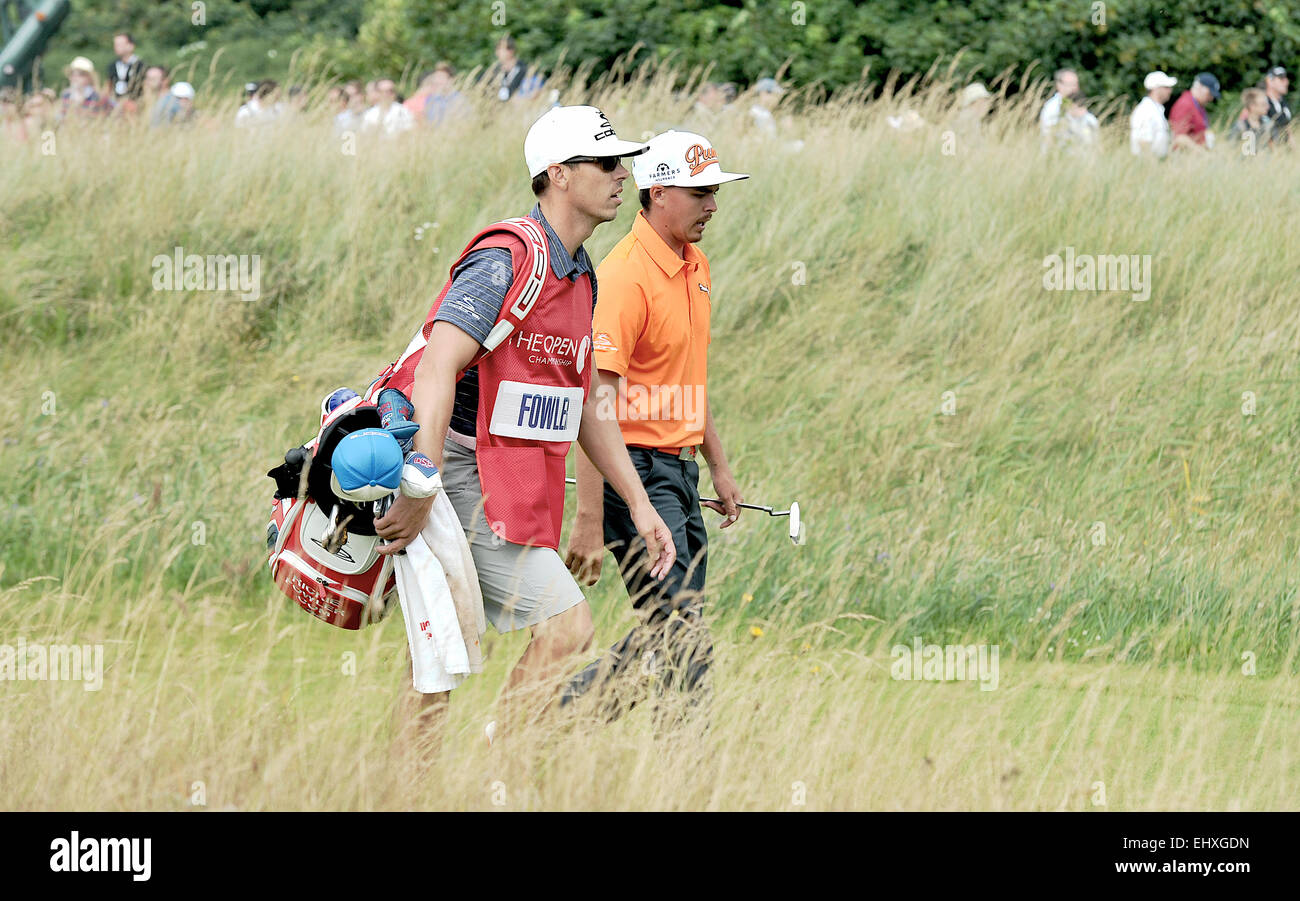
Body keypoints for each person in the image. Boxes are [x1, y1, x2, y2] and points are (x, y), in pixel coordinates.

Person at [369, 105, 675, 747]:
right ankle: (467, 775)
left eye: (625, 161)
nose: (625, 174)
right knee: (477, 649)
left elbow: (588, 400)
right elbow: (436, 368)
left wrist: (642, 508)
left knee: (450, 656)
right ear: (558, 175)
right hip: (445, 469)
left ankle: (461, 775)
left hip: (496, 476)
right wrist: (421, 490)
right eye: (607, 162)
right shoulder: (509, 257)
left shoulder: (582, 272)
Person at [561, 130, 749, 721]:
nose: (712, 205)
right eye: (699, 193)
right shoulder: (624, 277)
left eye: (715, 191)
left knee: (671, 626)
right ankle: (681, 766)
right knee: (680, 631)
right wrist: (590, 520)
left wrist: (717, 465)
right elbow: (596, 406)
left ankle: (556, 721)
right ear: (657, 191)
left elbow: (688, 375)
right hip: (634, 475)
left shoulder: (696, 266)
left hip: (680, 472)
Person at [1169, 72, 1219, 150]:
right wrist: (1201, 152)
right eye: (1209, 93)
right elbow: (1179, 137)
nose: (1211, 98)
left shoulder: (1198, 105)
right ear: (1200, 87)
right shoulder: (1185, 104)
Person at [1131, 71, 1175, 158]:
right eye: (1166, 87)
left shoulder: (1155, 109)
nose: (1170, 90)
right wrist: (1152, 167)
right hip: (1147, 165)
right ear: (1156, 89)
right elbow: (1144, 143)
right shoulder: (1146, 110)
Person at [105, 32, 145, 113]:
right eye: (115, 45)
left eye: (119, 45)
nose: (116, 47)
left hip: (134, 104)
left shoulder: (140, 66)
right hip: (114, 103)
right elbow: (108, 86)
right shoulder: (112, 66)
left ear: (130, 46)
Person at [1038, 68, 1079, 145]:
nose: (1074, 88)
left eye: (1076, 84)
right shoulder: (1051, 107)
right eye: (1070, 84)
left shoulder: (1080, 106)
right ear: (1059, 85)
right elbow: (1048, 135)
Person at [59, 57, 107, 122]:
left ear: (89, 78)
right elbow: (60, 116)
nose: (75, 77)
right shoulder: (66, 95)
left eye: (81, 74)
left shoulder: (97, 96)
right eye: (72, 74)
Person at [1228, 87, 1272, 153]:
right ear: (1252, 106)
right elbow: (1231, 150)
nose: (1268, 107)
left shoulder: (1268, 126)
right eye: (1263, 104)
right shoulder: (1240, 126)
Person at [489, 35, 530, 101]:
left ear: (511, 51)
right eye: (497, 49)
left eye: (500, 49)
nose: (497, 53)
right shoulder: (495, 70)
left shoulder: (523, 69)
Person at [1262, 66, 1292, 143]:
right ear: (1269, 81)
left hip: (1282, 151)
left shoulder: (1283, 102)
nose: (1286, 82)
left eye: (1286, 78)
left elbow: (1287, 129)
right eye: (1281, 79)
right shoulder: (1261, 102)